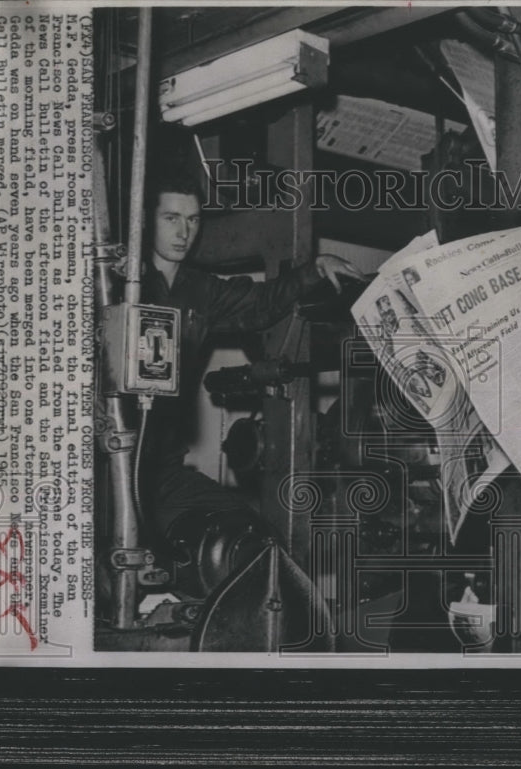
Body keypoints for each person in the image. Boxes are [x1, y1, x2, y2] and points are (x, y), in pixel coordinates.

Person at [136, 171, 365, 573]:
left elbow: (260, 304)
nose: (184, 232)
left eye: (193, 220)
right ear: (144, 220)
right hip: (109, 464)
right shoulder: (121, 283)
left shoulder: (198, 289)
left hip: (162, 472)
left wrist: (314, 269)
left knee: (250, 539)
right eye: (171, 218)